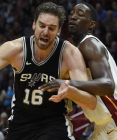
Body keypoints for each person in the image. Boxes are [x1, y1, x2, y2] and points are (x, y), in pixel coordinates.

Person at [0, 2, 97, 140]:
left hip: (53, 123)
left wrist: (70, 91)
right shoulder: (15, 49)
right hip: (20, 123)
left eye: (52, 28)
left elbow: (91, 102)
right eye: (42, 26)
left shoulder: (69, 54)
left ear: (58, 31)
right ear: (34, 25)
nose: (45, 32)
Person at [39, 2, 117, 140]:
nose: (73, 17)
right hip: (104, 125)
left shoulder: (89, 44)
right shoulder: (79, 48)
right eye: (72, 14)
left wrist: (67, 83)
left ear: (91, 25)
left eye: (80, 15)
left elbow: (108, 85)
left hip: (113, 121)